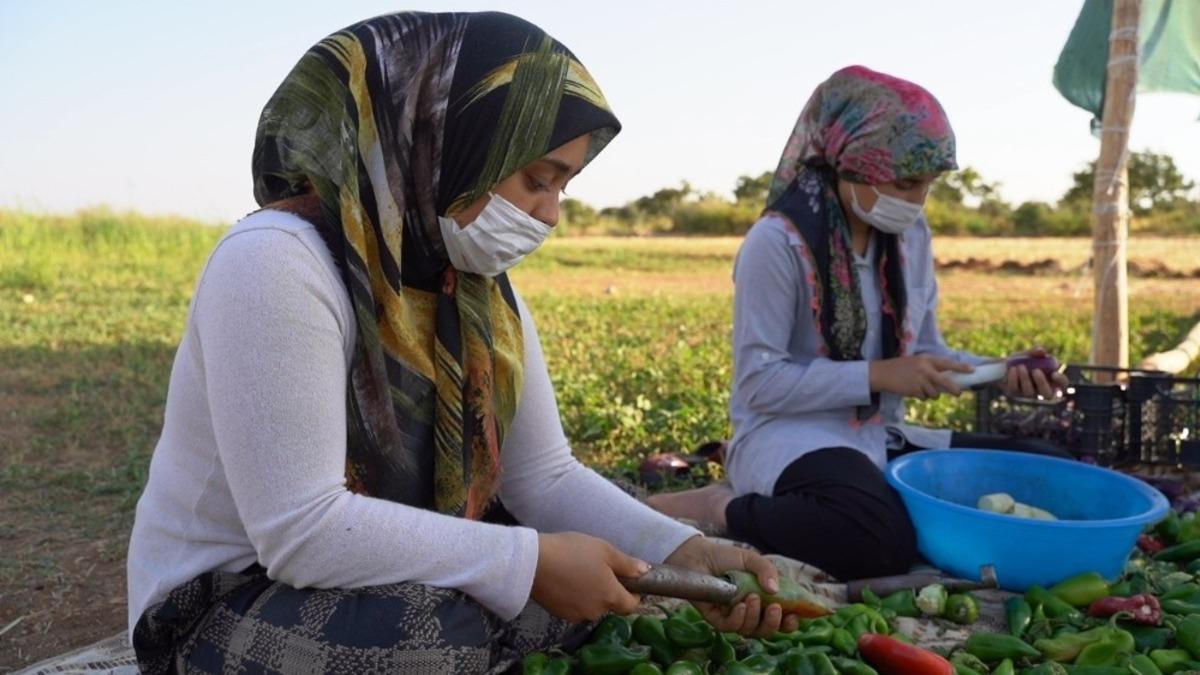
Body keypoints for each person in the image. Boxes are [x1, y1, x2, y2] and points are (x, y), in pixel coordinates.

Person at [126, 12, 791, 674]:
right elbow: (299, 528)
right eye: (537, 178)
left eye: (565, 184)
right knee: (441, 630)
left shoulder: (475, 288)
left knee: (574, 582)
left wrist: (681, 551)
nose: (552, 213)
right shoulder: (274, 263)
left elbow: (544, 476)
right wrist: (529, 562)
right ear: (447, 141)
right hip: (229, 597)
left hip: (377, 574)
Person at [647, 66, 1070, 582]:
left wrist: (996, 371)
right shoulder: (777, 244)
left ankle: (874, 497)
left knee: (1047, 465)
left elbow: (927, 349)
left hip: (877, 434)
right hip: (787, 436)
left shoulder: (909, 237)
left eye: (929, 186)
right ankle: (720, 505)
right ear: (852, 166)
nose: (917, 202)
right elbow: (759, 384)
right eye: (907, 183)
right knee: (876, 540)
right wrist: (878, 375)